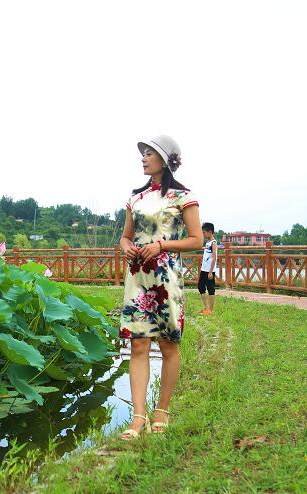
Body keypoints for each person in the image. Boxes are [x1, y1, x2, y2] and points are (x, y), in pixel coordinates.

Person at [118, 135, 203, 440]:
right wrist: (127, 247)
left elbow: (197, 240)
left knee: (168, 343)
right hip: (137, 276)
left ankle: (162, 410)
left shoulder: (183, 197)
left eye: (149, 153)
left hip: (166, 276)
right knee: (138, 344)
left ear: (164, 159)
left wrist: (162, 245)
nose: (143, 158)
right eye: (143, 154)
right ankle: (138, 417)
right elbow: (126, 237)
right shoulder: (135, 198)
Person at [198, 222, 217, 315]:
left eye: (204, 232)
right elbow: (207, 255)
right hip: (204, 269)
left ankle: (210, 310)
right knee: (200, 287)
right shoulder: (207, 243)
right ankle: (206, 308)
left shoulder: (213, 243)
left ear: (210, 232)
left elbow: (214, 258)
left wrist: (210, 272)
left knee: (210, 289)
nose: (203, 234)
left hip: (209, 271)